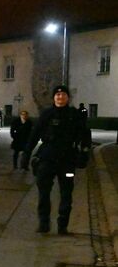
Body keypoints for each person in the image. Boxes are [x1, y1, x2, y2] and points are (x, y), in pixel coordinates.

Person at [23, 85, 91, 234]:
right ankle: (44, 223)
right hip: (47, 158)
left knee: (66, 193)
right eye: (58, 95)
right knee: (43, 193)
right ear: (54, 97)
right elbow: (34, 135)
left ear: (68, 97)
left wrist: (84, 154)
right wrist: (26, 154)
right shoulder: (47, 114)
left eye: (63, 95)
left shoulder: (74, 115)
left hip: (67, 160)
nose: (60, 97)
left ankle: (62, 225)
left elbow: (85, 135)